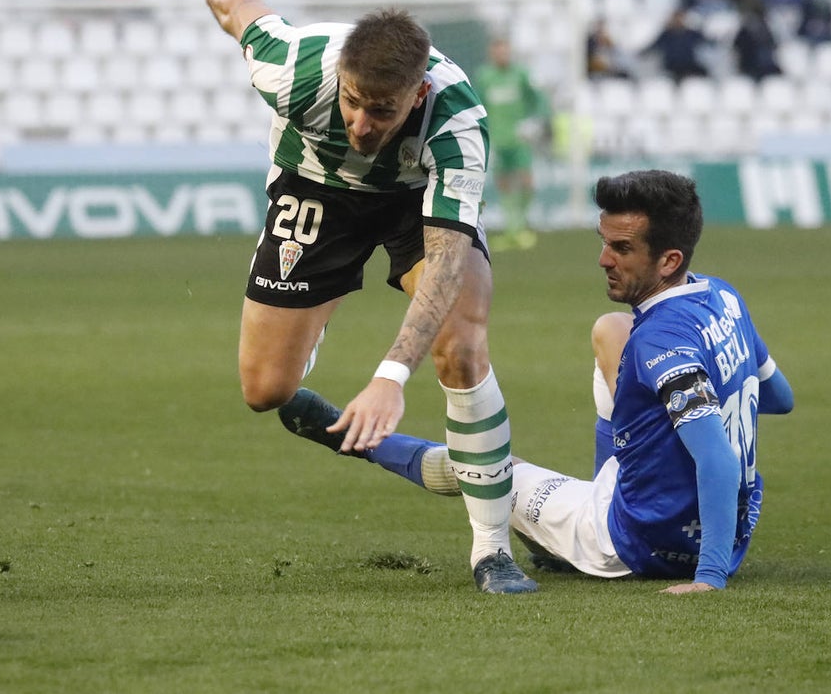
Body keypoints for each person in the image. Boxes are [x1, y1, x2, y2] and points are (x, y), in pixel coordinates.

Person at [199, 0, 536, 594]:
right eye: (352, 102)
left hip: (415, 203)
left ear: (419, 94)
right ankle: (379, 422)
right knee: (266, 388)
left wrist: (390, 375)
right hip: (314, 190)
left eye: (381, 110)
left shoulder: (458, 122)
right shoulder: (294, 68)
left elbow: (442, 265)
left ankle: (492, 549)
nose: (359, 122)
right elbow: (239, 9)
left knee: (462, 344)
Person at [283, 170, 795, 594]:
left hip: (639, 540)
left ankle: (359, 442)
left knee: (491, 469)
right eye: (603, 243)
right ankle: (607, 485)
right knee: (611, 330)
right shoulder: (724, 298)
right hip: (731, 533)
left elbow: (717, 459)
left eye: (621, 249)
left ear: (669, 260)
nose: (603, 259)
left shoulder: (663, 341)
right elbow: (780, 398)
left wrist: (708, 578)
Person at [473, 36, 550, 251]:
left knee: (526, 181)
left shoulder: (521, 74)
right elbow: (478, 105)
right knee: (503, 182)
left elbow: (538, 99)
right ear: (491, 53)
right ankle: (512, 230)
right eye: (497, 50)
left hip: (520, 137)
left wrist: (532, 121)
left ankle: (522, 225)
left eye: (504, 50)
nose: (501, 54)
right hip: (498, 138)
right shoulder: (484, 77)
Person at [643, 9, 710, 83]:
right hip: (672, 65)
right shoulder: (666, 35)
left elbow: (705, 40)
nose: (678, 21)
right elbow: (654, 46)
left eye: (680, 18)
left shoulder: (691, 34)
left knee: (704, 75)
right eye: (676, 18)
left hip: (689, 64)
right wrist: (643, 53)